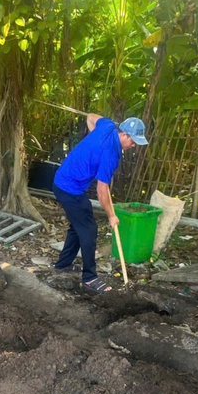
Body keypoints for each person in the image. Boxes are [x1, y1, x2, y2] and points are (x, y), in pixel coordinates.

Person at [52, 114, 148, 294]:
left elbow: (90, 117)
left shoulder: (107, 125)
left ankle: (62, 265)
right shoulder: (111, 154)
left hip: (63, 181)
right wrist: (112, 215)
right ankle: (90, 278)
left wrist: (93, 141)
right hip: (69, 188)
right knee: (89, 229)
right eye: (133, 142)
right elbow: (102, 190)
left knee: (79, 225)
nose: (134, 146)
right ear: (125, 135)